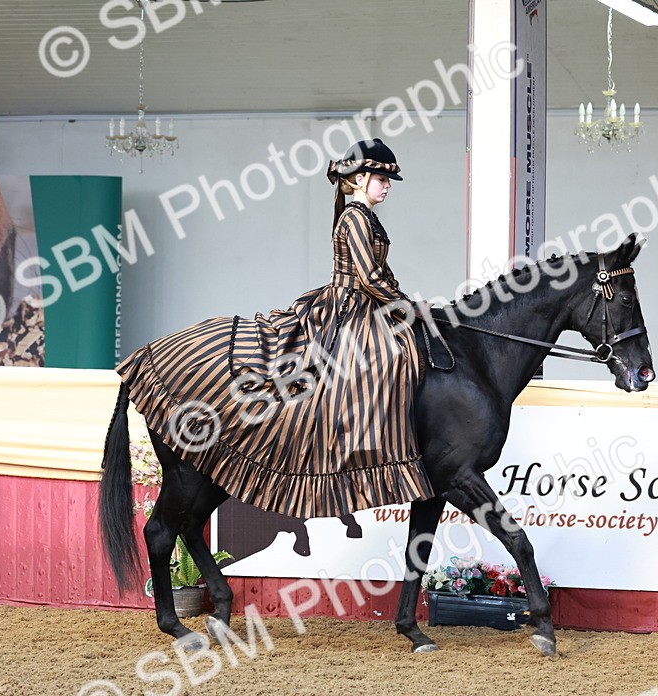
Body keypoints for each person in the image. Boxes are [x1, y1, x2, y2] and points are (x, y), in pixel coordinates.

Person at [116, 139, 433, 518]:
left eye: (388, 179)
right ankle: (352, 445)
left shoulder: (368, 217)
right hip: (349, 308)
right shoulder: (354, 217)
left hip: (364, 304)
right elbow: (368, 276)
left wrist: (403, 300)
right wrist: (405, 304)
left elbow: (379, 273)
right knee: (380, 362)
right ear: (362, 178)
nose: (388, 185)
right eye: (382, 178)